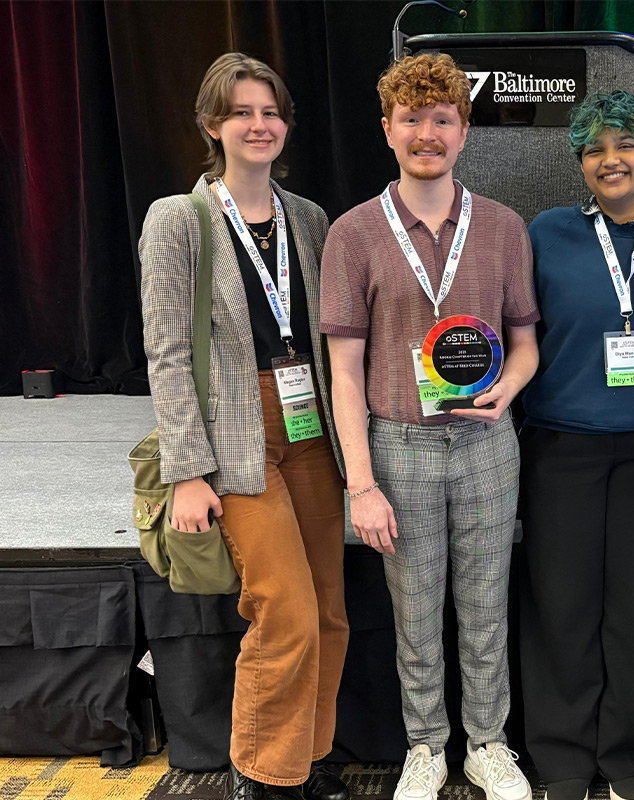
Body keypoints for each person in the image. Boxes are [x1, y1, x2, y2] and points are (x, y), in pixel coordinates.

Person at [320, 53, 538, 800]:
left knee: (485, 606)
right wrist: (360, 484)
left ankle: (487, 743)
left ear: (464, 131)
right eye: (411, 118)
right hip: (399, 448)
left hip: (486, 444)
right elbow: (344, 371)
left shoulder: (503, 227)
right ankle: (425, 745)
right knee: (414, 612)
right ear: (387, 130)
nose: (426, 134)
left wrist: (508, 389)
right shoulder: (353, 234)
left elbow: (526, 341)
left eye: (442, 119)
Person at [139, 53, 349, 800]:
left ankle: (305, 759)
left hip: (311, 426)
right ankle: (262, 774)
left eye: (270, 112)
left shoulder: (310, 219)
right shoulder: (180, 220)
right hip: (235, 432)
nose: (259, 125)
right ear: (211, 125)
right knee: (284, 609)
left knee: (328, 611)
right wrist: (187, 471)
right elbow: (167, 352)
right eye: (241, 113)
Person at [518, 90, 634, 800]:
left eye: (625, 146)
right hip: (561, 446)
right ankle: (561, 758)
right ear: (580, 163)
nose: (610, 160)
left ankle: (626, 758)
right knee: (561, 605)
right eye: (594, 149)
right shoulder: (546, 233)